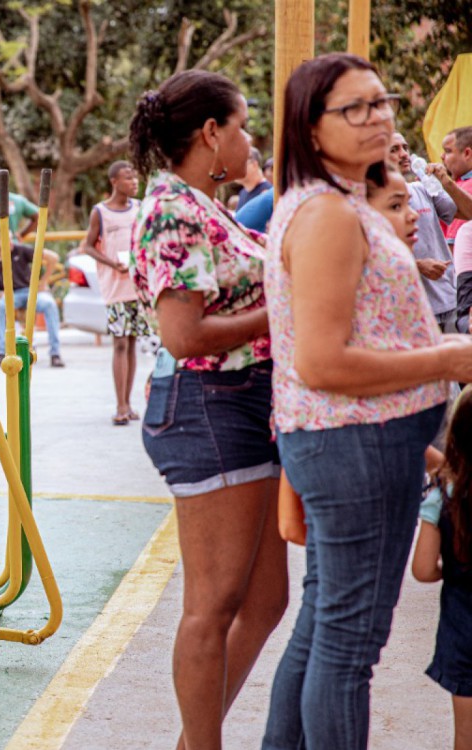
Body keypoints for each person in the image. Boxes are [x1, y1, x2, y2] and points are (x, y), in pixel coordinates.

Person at [261, 53, 472, 750]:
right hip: (351, 443)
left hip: (361, 439)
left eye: (380, 102)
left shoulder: (341, 202)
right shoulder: (325, 214)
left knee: (326, 624)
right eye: (354, 108)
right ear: (310, 127)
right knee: (348, 647)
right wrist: (446, 358)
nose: (377, 117)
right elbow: (319, 361)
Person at [128, 69, 286, 749]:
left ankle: (195, 741)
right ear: (211, 132)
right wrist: (276, 312)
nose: (250, 142)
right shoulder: (171, 208)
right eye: (243, 126)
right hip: (208, 404)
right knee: (213, 605)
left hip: (242, 401)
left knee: (265, 600)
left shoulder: (201, 203)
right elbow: (183, 335)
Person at [413, 388, 472, 750]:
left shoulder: (442, 496)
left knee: (466, 736)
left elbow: (422, 568)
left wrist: (448, 572)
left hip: (463, 633)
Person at [81, 160, 147, 424]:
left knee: (131, 343)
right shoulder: (101, 212)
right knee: (119, 342)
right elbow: (88, 246)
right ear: (114, 182)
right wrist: (112, 264)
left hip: (137, 285)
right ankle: (120, 404)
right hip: (115, 286)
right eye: (127, 177)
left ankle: (129, 402)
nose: (133, 181)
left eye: (134, 177)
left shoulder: (140, 209)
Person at [388, 132, 472, 331]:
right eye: (394, 149)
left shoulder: (422, 188)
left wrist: (446, 181)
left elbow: (469, 213)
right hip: (410, 311)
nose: (404, 154)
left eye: (405, 148)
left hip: (449, 302)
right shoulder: (370, 200)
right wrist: (417, 265)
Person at [0, 224, 63, 368]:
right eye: (6, 239)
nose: (11, 242)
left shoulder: (21, 250)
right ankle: (0, 352)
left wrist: (43, 282)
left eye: (11, 238)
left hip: (30, 291)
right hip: (9, 295)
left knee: (49, 304)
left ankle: (55, 353)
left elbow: (53, 257)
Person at [443, 126, 472, 246]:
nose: (442, 156)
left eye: (448, 151)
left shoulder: (466, 186)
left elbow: (453, 244)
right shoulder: (459, 184)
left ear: (467, 153)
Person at [235, 147, 273, 211]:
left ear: (254, 164)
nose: (235, 169)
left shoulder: (268, 193)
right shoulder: (243, 193)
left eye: (239, 164)